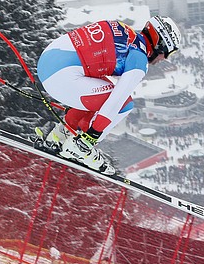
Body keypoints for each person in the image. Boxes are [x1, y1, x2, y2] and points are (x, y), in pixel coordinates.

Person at [36, 16, 182, 175]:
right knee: (125, 104)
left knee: (105, 90)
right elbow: (117, 100)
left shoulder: (124, 30)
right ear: (160, 45)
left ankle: (62, 133)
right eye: (168, 52)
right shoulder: (139, 59)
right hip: (60, 78)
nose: (165, 58)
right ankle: (81, 147)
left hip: (48, 61)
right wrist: (93, 135)